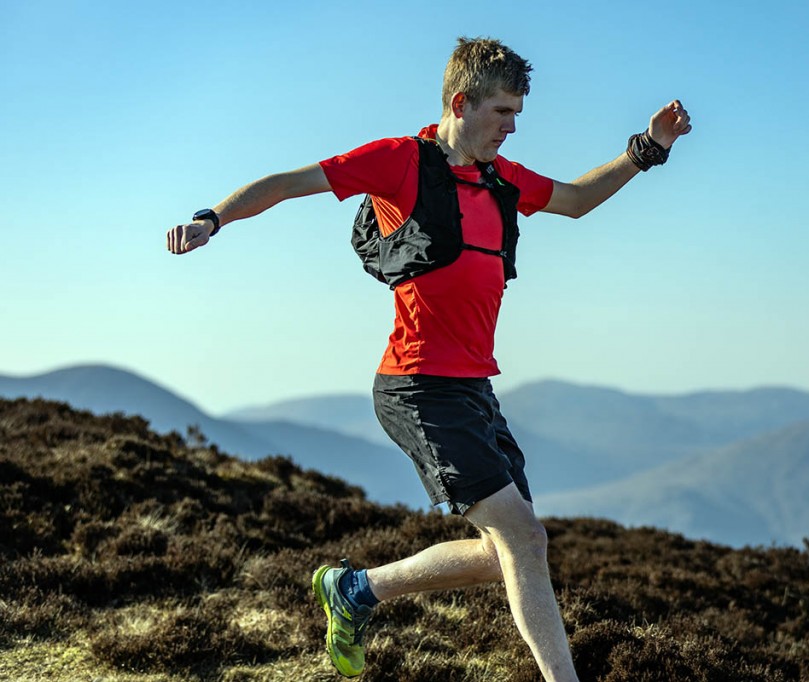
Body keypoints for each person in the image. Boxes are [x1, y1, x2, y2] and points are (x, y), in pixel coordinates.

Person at [167, 36, 690, 682]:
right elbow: (288, 183)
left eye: (518, 113)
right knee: (526, 539)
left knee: (504, 553)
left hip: (473, 389)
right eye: (503, 111)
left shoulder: (501, 180)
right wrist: (212, 219)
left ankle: (355, 591)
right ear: (461, 103)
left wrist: (648, 150)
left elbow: (577, 200)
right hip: (417, 385)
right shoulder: (400, 162)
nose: (514, 125)